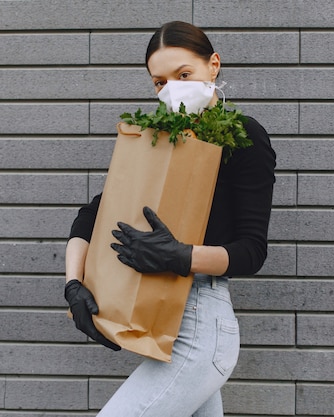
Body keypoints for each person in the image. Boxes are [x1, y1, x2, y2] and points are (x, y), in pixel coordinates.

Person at [64, 21, 276, 417]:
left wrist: (180, 256)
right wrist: (73, 285)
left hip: (200, 323)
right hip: (161, 321)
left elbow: (252, 251)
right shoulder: (155, 139)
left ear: (213, 66)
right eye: (160, 82)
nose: (172, 89)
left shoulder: (245, 136)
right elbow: (92, 215)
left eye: (183, 75)